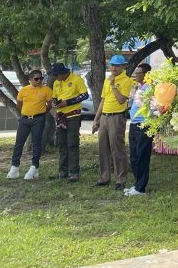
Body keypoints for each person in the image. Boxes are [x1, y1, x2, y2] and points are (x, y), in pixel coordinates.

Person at [92, 54, 133, 189]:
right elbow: (103, 100)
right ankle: (104, 177)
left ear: (123, 67)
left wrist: (114, 85)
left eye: (117, 66)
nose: (113, 68)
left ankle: (120, 179)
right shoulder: (107, 80)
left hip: (117, 117)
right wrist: (96, 119)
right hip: (104, 116)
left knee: (117, 148)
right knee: (103, 147)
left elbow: (121, 100)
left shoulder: (126, 80)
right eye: (112, 65)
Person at [7, 70, 53, 179]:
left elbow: (49, 105)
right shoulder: (24, 90)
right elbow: (19, 104)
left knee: (36, 143)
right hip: (25, 119)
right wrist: (26, 112)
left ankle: (34, 167)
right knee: (19, 143)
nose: (39, 81)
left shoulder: (46, 90)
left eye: (41, 78)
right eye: (36, 79)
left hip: (38, 119)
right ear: (30, 80)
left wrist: (41, 112)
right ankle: (14, 167)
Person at [50, 63, 89, 182]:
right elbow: (54, 96)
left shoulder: (77, 79)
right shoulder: (56, 82)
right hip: (61, 115)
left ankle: (74, 172)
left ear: (63, 73)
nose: (54, 77)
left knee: (72, 143)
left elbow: (84, 95)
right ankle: (63, 171)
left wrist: (68, 102)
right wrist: (54, 103)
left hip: (73, 115)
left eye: (56, 75)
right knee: (61, 143)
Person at [125, 62, 153, 196]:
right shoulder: (140, 87)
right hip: (134, 124)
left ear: (146, 74)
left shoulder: (151, 88)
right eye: (136, 73)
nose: (136, 75)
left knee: (142, 155)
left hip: (144, 125)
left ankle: (141, 188)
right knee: (134, 156)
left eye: (139, 73)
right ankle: (137, 184)